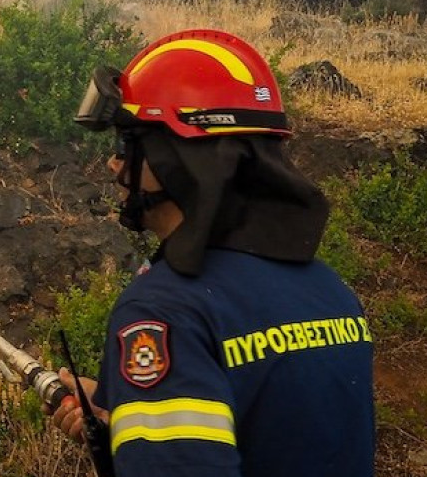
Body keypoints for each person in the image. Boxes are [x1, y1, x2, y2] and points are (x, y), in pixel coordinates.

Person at [46, 28, 374, 476]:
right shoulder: (330, 291)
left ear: (175, 157)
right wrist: (126, 410)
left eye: (127, 144)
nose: (114, 164)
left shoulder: (163, 313)